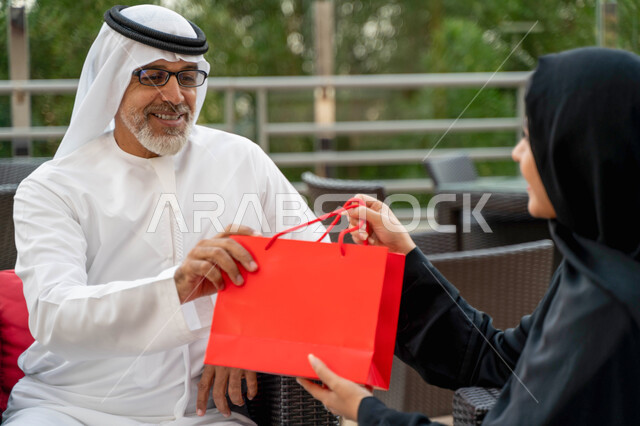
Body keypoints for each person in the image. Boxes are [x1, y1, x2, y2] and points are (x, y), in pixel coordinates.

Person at [3, 5, 324, 425]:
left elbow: (320, 264)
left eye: (187, 77)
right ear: (113, 83)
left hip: (208, 414)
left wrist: (246, 335)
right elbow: (56, 314)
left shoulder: (241, 159)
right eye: (153, 75)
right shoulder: (53, 187)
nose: (174, 96)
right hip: (71, 407)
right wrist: (176, 286)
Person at [298, 47, 640, 425]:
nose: (516, 153)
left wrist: (366, 412)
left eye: (530, 138)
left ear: (574, 150)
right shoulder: (591, 265)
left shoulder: (608, 312)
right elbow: (499, 361)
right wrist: (404, 259)